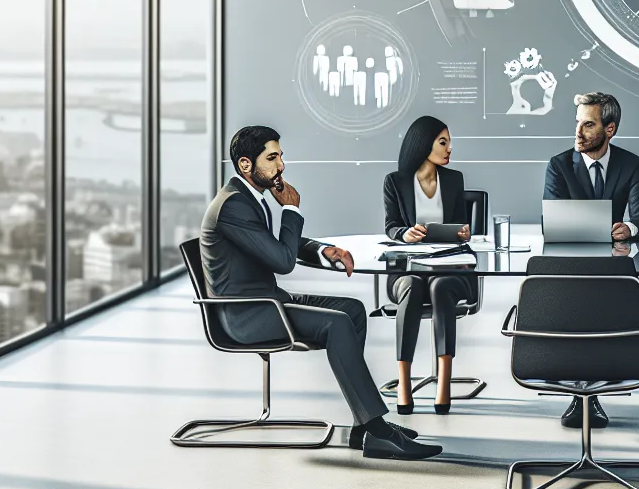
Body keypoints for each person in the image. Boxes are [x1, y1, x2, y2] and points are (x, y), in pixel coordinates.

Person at [200, 126, 440, 460]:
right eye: (272, 157)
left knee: (352, 310)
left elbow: (274, 246)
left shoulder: (248, 198)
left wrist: (323, 251)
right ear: (244, 164)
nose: (281, 165)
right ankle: (379, 430)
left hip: (269, 303)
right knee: (337, 323)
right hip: (247, 315)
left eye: (280, 155)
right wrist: (292, 210)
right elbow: (283, 261)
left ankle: (363, 425)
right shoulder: (234, 206)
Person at [542, 90, 639, 429]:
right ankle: (583, 396)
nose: (577, 132)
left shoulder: (631, 165)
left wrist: (628, 228)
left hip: (613, 269)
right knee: (579, 308)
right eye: (577, 123)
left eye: (587, 125)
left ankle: (589, 394)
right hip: (571, 269)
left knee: (602, 308)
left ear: (610, 129)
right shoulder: (559, 165)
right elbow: (552, 222)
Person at [382, 115, 478, 416]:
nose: (449, 149)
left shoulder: (454, 179)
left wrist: (464, 232)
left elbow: (462, 228)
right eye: (443, 142)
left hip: (449, 270)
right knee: (412, 286)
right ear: (424, 144)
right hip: (409, 271)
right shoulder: (395, 182)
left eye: (449, 142)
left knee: (441, 286)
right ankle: (404, 383)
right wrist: (404, 233)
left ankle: (444, 383)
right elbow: (391, 226)